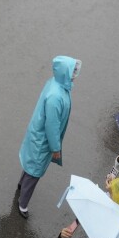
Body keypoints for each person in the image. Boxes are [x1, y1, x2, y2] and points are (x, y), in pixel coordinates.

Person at [14, 56, 79, 218]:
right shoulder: (56, 97)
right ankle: (23, 204)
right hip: (43, 140)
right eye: (72, 70)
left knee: (30, 166)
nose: (75, 74)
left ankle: (21, 185)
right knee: (35, 171)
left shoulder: (55, 84)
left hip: (37, 134)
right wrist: (55, 148)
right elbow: (52, 126)